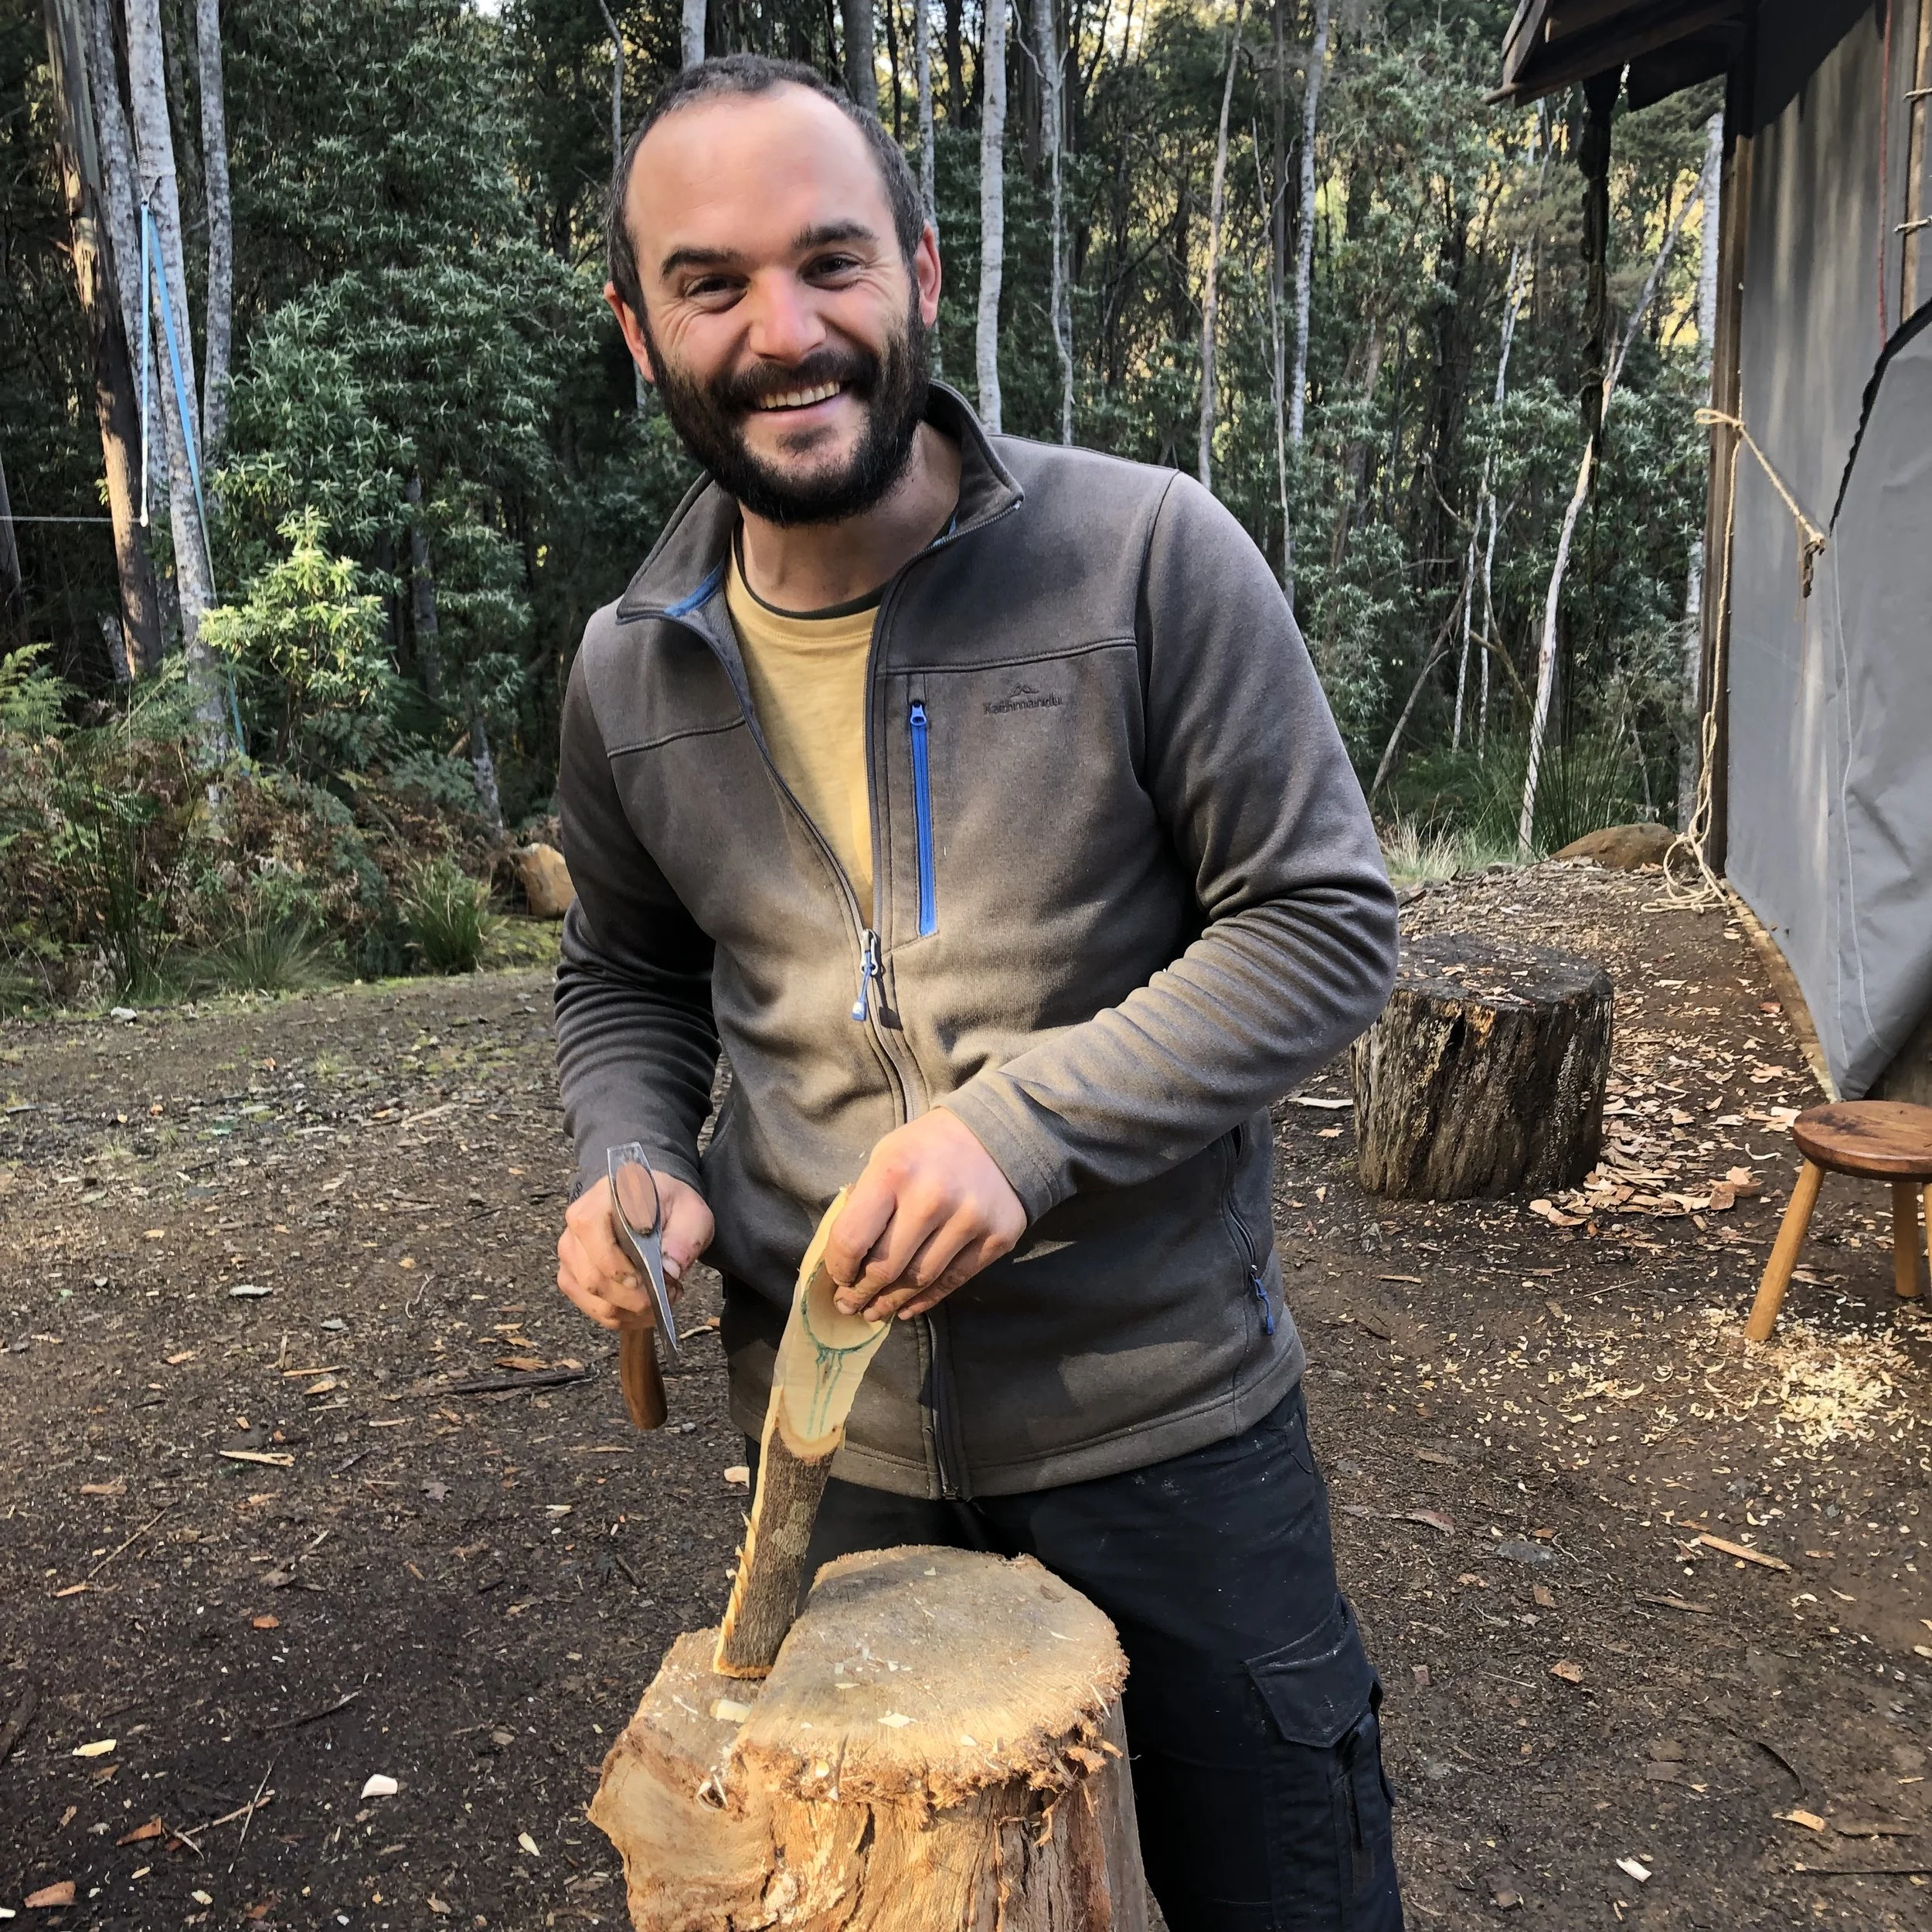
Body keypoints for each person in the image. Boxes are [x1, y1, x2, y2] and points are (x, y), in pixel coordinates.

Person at [552, 53, 1403, 1930]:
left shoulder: (1148, 555)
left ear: (923, 274)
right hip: (827, 1463)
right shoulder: (627, 672)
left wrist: (1018, 1130)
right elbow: (622, 974)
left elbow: (1322, 918)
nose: (785, 331)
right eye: (711, 283)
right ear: (639, 328)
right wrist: (629, 1153)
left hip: (1169, 1427)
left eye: (830, 262)